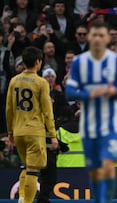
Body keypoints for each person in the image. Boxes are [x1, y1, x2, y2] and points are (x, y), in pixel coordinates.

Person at [65, 21, 117, 203]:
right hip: (89, 125)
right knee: (95, 169)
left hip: (111, 124)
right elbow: (69, 92)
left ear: (106, 38)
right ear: (89, 38)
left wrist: (114, 91)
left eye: (101, 35)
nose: (97, 39)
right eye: (94, 35)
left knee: (109, 166)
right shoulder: (79, 62)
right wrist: (89, 94)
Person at [6, 46, 58, 203]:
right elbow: (47, 112)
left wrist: (10, 133)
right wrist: (53, 136)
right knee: (34, 170)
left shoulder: (14, 81)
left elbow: (9, 109)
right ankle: (27, 201)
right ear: (38, 62)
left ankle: (22, 197)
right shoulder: (41, 83)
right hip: (34, 131)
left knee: (27, 166)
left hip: (19, 131)